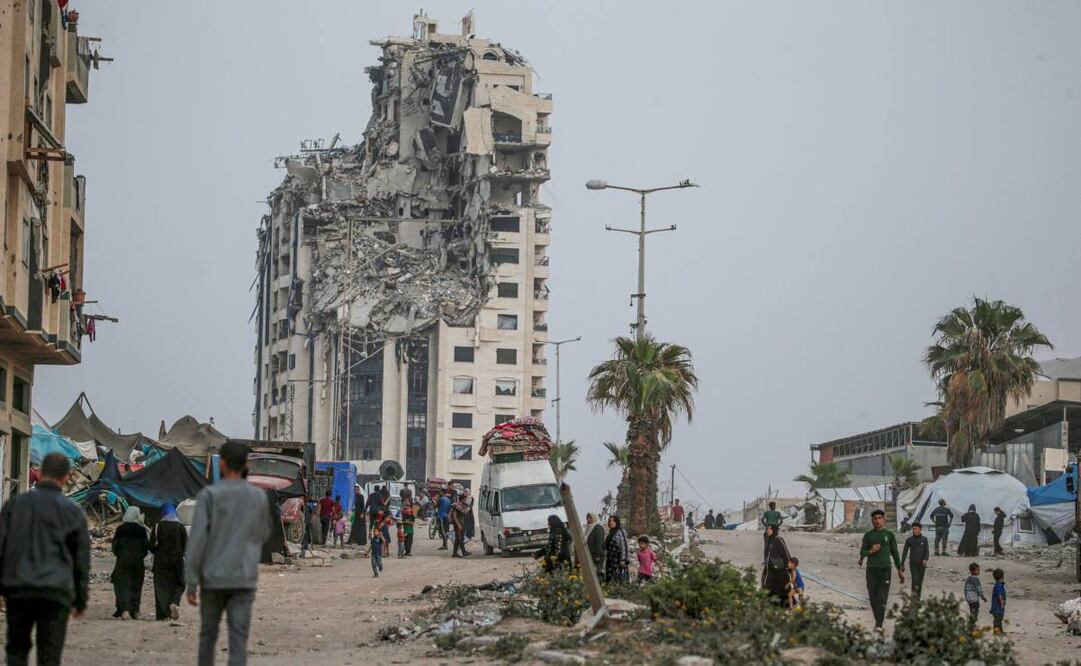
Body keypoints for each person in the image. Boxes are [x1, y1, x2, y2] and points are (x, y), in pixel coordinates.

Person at [186, 441, 272, 666]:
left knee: (207, 637)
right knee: (238, 641)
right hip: (244, 579)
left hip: (212, 579)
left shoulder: (209, 496)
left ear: (222, 464)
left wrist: (191, 582)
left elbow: (196, 541)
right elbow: (263, 534)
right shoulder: (258, 497)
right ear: (246, 465)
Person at [0, 453, 89, 665]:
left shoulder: (14, 506)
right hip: (56, 592)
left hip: (18, 588)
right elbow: (81, 559)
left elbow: (2, 548)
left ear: (38, 473)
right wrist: (80, 598)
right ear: (67, 477)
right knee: (50, 655)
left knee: (17, 649)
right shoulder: (73, 512)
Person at [858, 508, 904, 633]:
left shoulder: (889, 535)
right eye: (875, 519)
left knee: (882, 598)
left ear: (884, 520)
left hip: (885, 570)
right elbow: (862, 552)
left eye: (880, 518)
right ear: (872, 520)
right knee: (873, 597)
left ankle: (879, 624)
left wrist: (900, 570)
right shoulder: (868, 535)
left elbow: (895, 553)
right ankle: (878, 620)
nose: (878, 521)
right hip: (872, 570)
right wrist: (871, 551)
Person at [150, 502, 188, 621]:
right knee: (179, 582)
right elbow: (186, 546)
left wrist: (156, 550)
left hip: (160, 560)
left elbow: (151, 545)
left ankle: (162, 614)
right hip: (177, 560)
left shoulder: (157, 526)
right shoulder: (180, 527)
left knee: (161, 586)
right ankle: (174, 602)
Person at [112, 506, 149, 620]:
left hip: (122, 561)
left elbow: (115, 547)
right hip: (138, 562)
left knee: (122, 585)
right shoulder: (142, 530)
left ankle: (124, 610)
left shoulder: (120, 529)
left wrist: (120, 555)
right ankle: (135, 611)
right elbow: (145, 548)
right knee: (136, 585)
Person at [761, 524, 792, 604]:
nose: (768, 530)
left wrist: (789, 565)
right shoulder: (769, 539)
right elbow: (766, 552)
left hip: (780, 568)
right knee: (768, 584)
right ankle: (768, 602)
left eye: (770, 529)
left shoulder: (778, 539)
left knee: (782, 586)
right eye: (767, 528)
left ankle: (786, 604)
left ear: (774, 530)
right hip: (771, 567)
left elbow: (785, 553)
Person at [900, 521, 930, 601]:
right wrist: (902, 563)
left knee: (920, 581)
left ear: (920, 530)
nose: (914, 531)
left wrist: (925, 559)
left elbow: (927, 552)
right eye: (913, 529)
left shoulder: (924, 539)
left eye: (916, 529)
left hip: (922, 564)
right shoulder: (909, 540)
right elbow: (905, 552)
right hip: (913, 563)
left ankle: (918, 597)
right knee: (915, 579)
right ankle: (913, 597)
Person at [604, 515, 629, 584]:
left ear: (617, 522)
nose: (611, 522)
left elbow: (624, 546)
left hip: (618, 563)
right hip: (610, 562)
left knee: (619, 582)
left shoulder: (620, 532)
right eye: (610, 521)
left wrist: (623, 560)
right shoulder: (610, 533)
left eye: (613, 521)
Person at [964, 562, 986, 628]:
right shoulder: (976, 579)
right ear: (972, 571)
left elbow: (965, 589)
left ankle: (971, 625)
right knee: (975, 612)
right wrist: (983, 597)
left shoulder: (968, 579)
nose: (979, 571)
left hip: (969, 599)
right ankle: (971, 625)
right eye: (978, 570)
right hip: (974, 599)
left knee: (972, 612)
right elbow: (979, 589)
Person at [451, 489, 471, 558]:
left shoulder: (463, 505)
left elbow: (465, 512)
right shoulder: (457, 505)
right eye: (465, 499)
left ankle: (454, 553)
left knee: (458, 538)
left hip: (461, 523)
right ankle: (464, 552)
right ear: (462, 499)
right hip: (458, 524)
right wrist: (458, 524)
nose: (466, 500)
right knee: (460, 538)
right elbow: (454, 515)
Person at [990, 568, 1007, 634]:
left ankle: (1000, 631)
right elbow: (999, 595)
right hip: (997, 607)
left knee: (999, 619)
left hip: (997, 606)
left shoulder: (998, 584)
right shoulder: (998, 585)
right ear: (1002, 576)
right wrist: (1002, 603)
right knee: (998, 619)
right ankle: (997, 632)